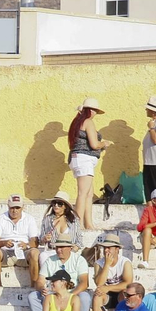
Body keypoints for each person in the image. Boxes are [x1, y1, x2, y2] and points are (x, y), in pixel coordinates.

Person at [66, 98, 110, 230]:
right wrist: (105, 144)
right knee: (83, 193)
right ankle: (77, 224)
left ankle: (88, 223)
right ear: (90, 110)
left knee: (89, 193)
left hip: (78, 159)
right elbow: (94, 144)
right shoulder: (88, 122)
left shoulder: (76, 123)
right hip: (84, 159)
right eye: (95, 110)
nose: (95, 113)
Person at [0, 194, 40, 288]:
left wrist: (26, 245)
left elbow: (35, 241)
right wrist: (3, 243)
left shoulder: (29, 219)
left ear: (22, 207)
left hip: (23, 252)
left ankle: (33, 286)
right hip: (5, 253)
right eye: (12, 207)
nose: (14, 210)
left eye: (17, 207)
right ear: (8, 206)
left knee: (35, 253)